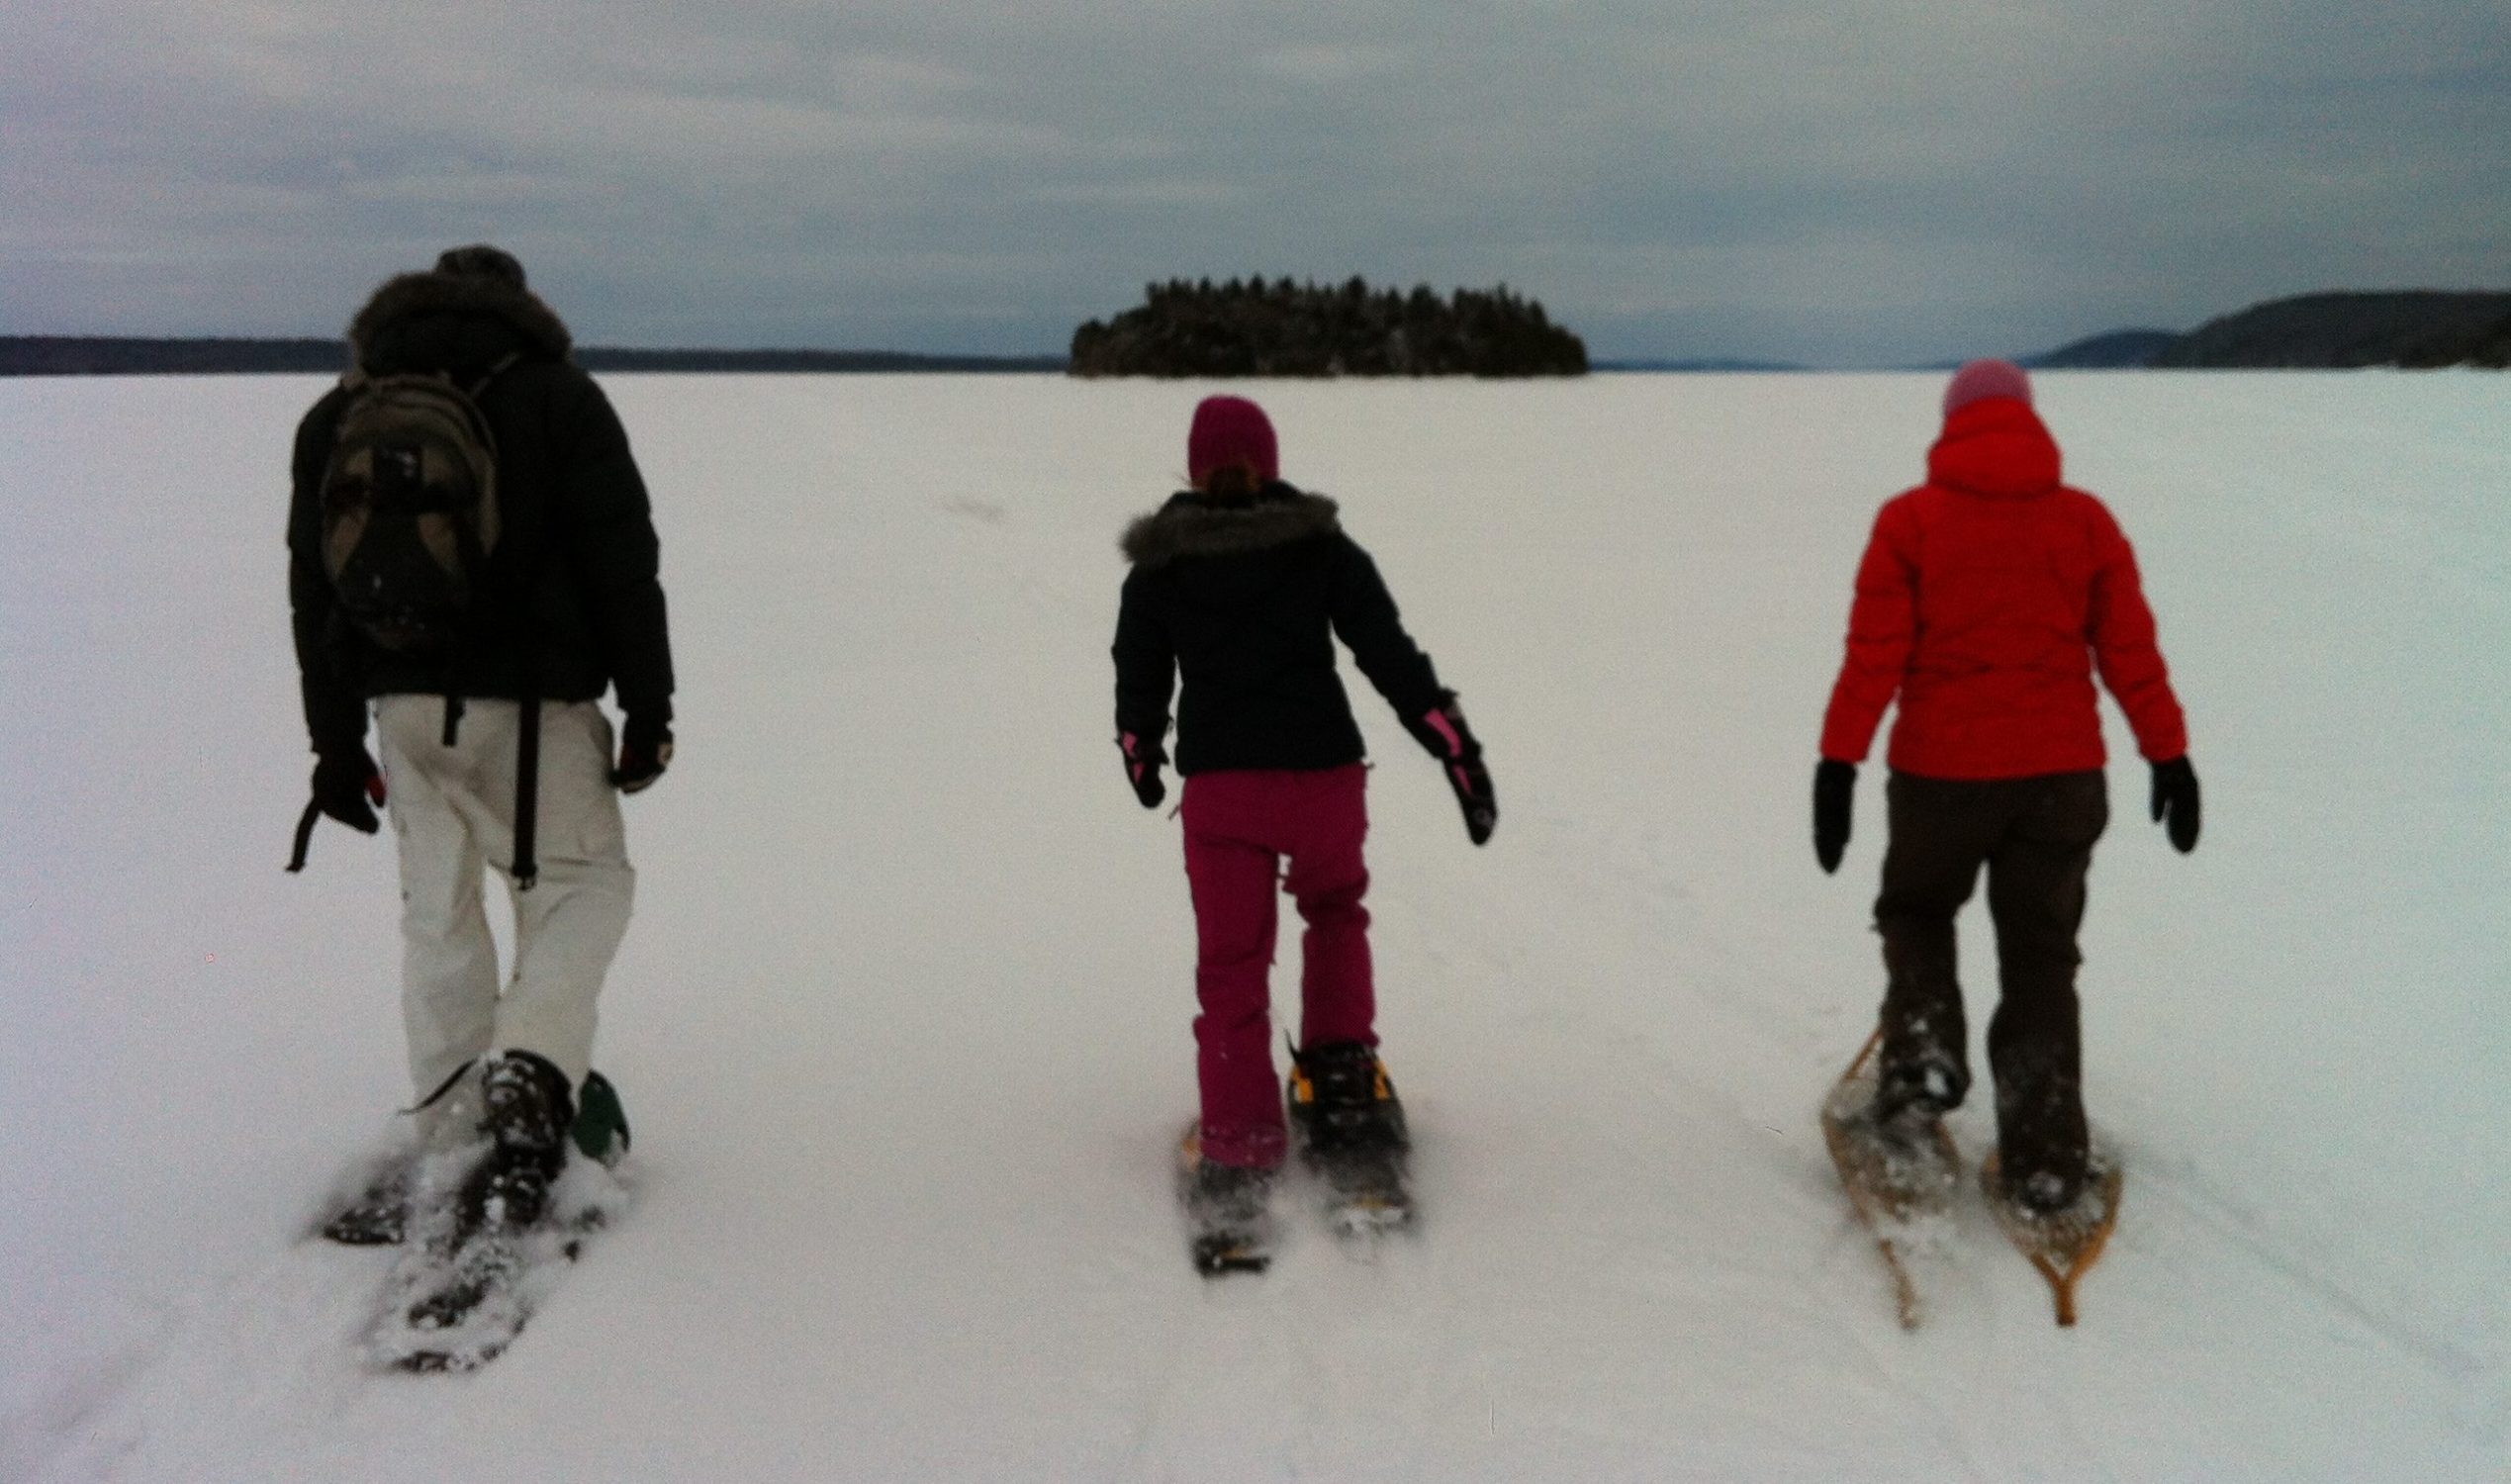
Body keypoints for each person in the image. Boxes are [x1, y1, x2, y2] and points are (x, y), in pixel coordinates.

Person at [288, 244, 674, 1246]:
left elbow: (312, 592)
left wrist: (334, 745)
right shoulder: (559, 397)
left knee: (438, 913)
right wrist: (650, 707)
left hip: (401, 706)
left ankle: (453, 1118)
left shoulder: (342, 413)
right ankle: (535, 1074)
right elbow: (624, 561)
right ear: (517, 306)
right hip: (537, 710)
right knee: (585, 886)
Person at [1813, 358, 2198, 1213]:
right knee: (2040, 956)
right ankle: (2048, 1157)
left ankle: (1920, 1058)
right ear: (2028, 424)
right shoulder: (2085, 522)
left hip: (1940, 778)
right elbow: (2130, 653)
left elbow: (1873, 657)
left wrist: (1837, 763)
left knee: (1917, 910)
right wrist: (2168, 754)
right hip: (2061, 785)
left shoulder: (1910, 521)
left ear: (1953, 425)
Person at [1112, 395, 1495, 1218]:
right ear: (1270, 462)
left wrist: (1141, 756)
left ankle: (1241, 1140)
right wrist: (1456, 750)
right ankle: (1343, 1080)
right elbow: (1391, 657)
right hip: (1325, 780)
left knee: (1232, 968)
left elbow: (1138, 681)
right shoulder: (1322, 546)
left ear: (1192, 467)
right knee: (1333, 911)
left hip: (1225, 794)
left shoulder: (1161, 566)